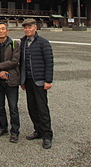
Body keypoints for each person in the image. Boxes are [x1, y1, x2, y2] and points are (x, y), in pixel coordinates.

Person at [20, 18, 54, 149]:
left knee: (42, 108)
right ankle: (38, 130)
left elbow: (49, 62)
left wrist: (48, 80)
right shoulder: (23, 42)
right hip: (28, 80)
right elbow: (21, 63)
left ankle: (47, 135)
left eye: (30, 27)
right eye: (25, 27)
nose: (27, 29)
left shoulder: (43, 43)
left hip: (39, 80)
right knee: (31, 107)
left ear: (35, 27)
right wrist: (22, 80)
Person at [0, 22, 21, 143]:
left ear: (7, 31)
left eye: (3, 29)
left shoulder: (14, 44)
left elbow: (15, 61)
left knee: (13, 107)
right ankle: (3, 127)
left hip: (11, 79)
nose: (1, 31)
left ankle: (15, 131)